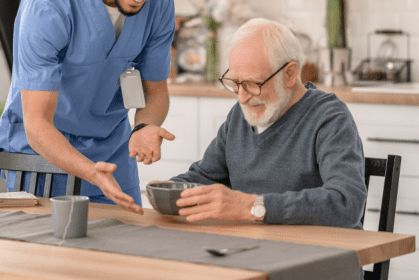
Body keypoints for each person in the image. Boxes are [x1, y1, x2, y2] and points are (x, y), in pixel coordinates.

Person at [0, 0, 183, 215]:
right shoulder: (48, 6)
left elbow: (155, 92)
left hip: (110, 149)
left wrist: (144, 127)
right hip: (42, 152)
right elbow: (37, 123)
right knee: (47, 258)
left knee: (124, 252)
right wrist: (88, 171)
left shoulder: (160, 4)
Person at [156, 18, 367, 228]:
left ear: (290, 74)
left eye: (252, 84)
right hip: (255, 249)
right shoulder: (241, 115)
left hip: (321, 254)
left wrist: (252, 207)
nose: (242, 97)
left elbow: (347, 202)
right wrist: (167, 190)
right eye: (235, 83)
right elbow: (204, 177)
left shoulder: (329, 117)